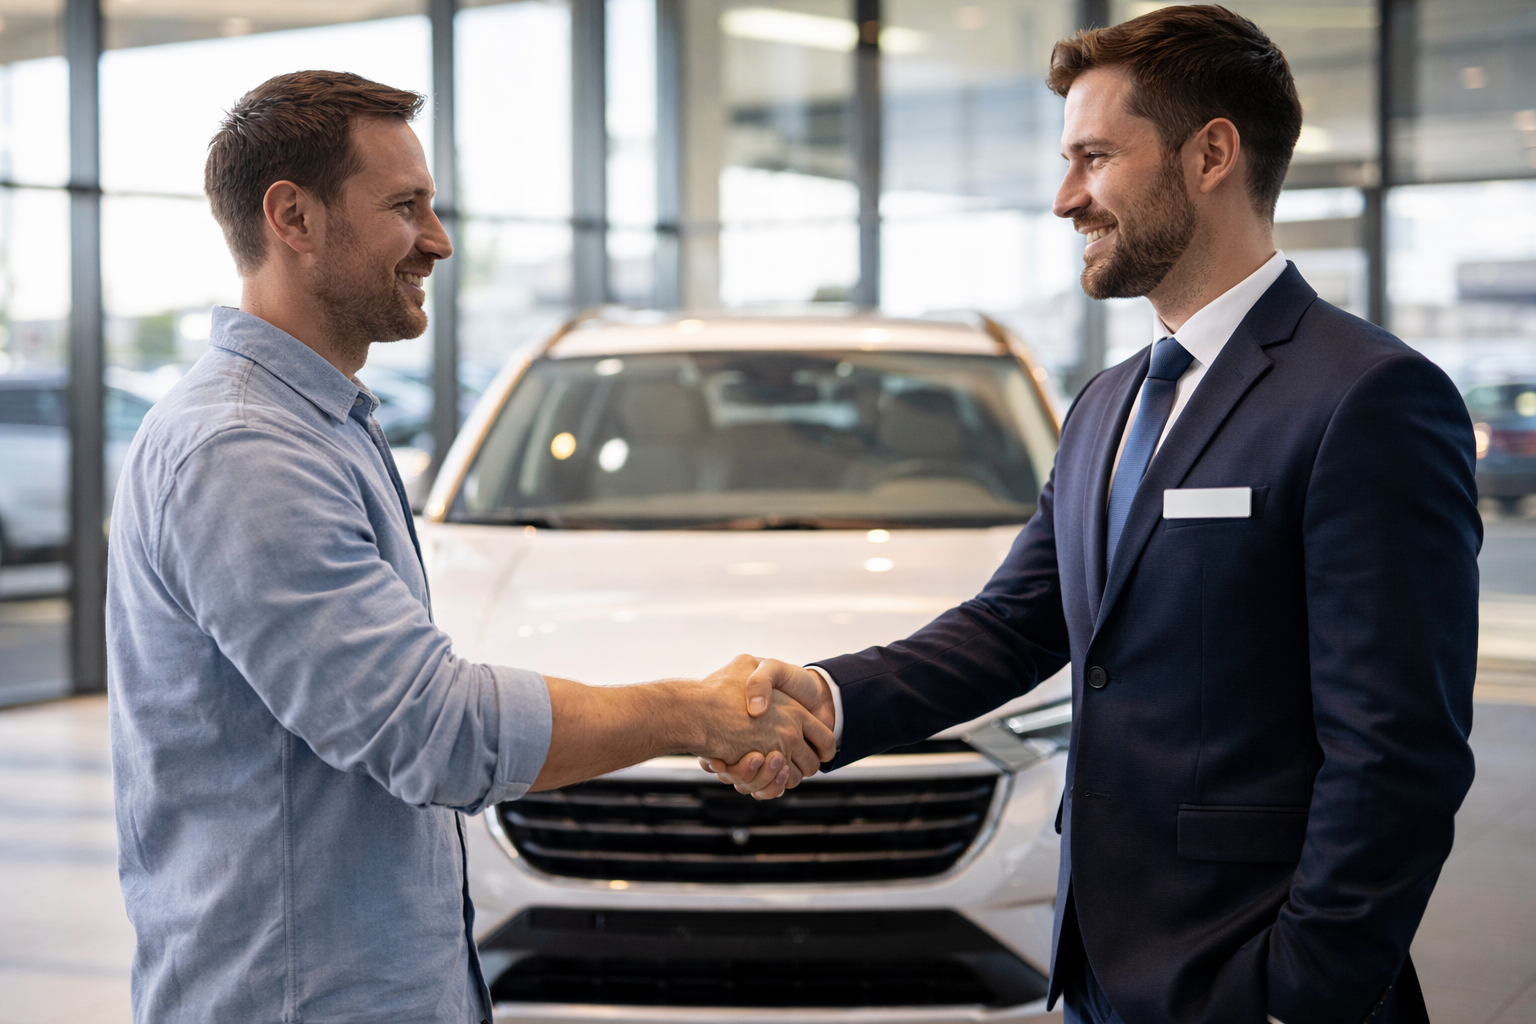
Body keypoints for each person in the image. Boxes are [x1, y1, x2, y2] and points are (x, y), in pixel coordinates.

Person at [709, 7, 1479, 1023]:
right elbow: (1014, 624)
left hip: (1254, 978)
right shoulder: (1109, 402)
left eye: (1096, 157)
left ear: (1211, 154)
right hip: (1098, 965)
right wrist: (823, 697)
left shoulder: (1370, 397)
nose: (1067, 197)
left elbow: (1398, 750)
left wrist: (1302, 990)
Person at [105, 71, 831, 1024]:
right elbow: (430, 730)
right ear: (294, 217)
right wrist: (692, 714)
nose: (438, 241)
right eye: (406, 207)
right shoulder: (246, 451)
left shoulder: (321, 422)